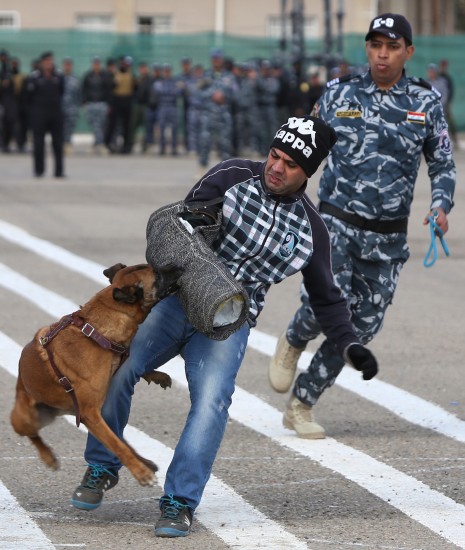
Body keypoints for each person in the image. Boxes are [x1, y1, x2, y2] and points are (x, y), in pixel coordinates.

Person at [69, 115, 378, 537]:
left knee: (212, 402)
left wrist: (349, 344)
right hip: (176, 302)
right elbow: (177, 229)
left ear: (308, 172)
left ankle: (179, 501)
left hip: (228, 323)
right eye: (274, 155)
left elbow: (327, 299)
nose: (276, 166)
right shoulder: (231, 176)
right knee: (118, 368)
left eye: (290, 163)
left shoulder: (311, 230)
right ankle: (102, 466)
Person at [268, 13, 456, 439]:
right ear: (367, 49)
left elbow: (442, 161)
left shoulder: (425, 103)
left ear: (408, 51)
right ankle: (295, 337)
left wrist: (442, 204)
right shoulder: (339, 93)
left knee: (364, 325)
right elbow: (307, 148)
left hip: (388, 234)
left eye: (392, 46)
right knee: (330, 309)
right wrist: (283, 193)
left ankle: (301, 403)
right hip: (336, 222)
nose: (383, 54)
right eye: (375, 45)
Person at [26, 51, 65, 177]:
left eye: (51, 61)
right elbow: (28, 96)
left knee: (58, 143)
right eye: (47, 61)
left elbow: (61, 92)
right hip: (39, 114)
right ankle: (39, 170)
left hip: (55, 113)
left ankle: (59, 171)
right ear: (42, 63)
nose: (49, 63)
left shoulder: (58, 76)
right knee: (38, 143)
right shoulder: (34, 77)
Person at [61, 57, 81, 155]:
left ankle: (67, 144)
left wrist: (77, 107)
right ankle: (61, 144)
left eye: (69, 65)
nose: (67, 67)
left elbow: (79, 94)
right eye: (66, 64)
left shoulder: (75, 79)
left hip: (72, 108)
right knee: (60, 127)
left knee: (70, 127)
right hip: (60, 108)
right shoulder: (59, 77)